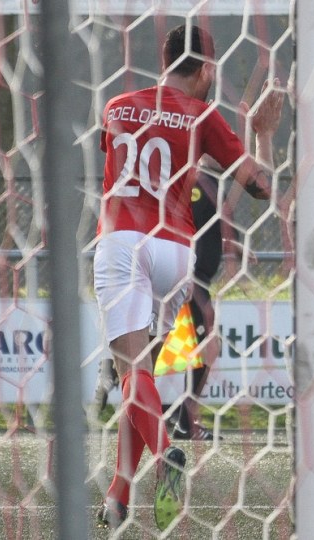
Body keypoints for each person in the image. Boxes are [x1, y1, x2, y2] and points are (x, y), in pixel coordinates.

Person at [94, 23, 280, 531]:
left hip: (122, 244)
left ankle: (167, 451)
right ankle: (119, 495)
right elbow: (261, 187)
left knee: (133, 375)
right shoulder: (202, 115)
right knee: (144, 377)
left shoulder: (114, 106)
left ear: (164, 59)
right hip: (175, 251)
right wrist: (264, 136)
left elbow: (108, 164)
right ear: (207, 69)